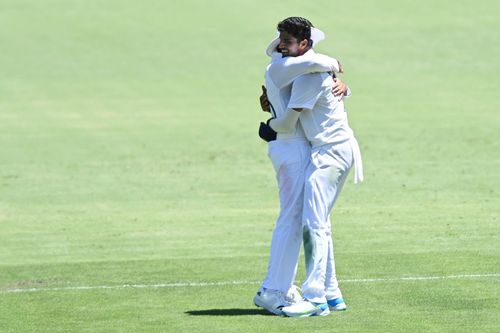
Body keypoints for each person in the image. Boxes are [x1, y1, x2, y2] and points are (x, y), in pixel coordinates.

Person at [253, 17, 351, 316]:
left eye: (289, 40)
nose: (283, 45)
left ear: (304, 44)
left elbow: (318, 73)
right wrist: (334, 66)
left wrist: (342, 86)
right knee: (297, 219)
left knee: (314, 218)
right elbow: (323, 63)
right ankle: (274, 290)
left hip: (298, 145)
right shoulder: (284, 67)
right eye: (281, 40)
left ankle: (330, 291)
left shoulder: (304, 70)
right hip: (292, 146)